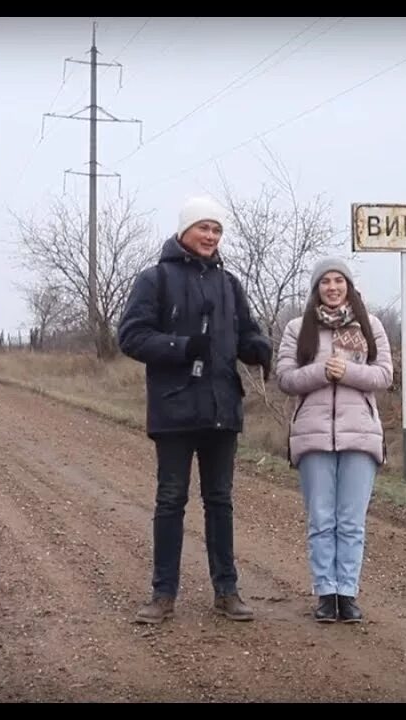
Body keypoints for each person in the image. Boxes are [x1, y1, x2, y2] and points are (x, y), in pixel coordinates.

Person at [116, 194, 272, 625]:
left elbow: (247, 333)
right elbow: (130, 337)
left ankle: (227, 592)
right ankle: (162, 595)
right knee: (171, 501)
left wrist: (258, 348)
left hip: (222, 410)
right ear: (185, 231)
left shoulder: (229, 284)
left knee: (220, 502)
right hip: (174, 411)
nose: (210, 236)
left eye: (217, 229)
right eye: (204, 227)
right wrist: (182, 347)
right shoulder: (154, 280)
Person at [274, 256, 392, 623]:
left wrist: (350, 372)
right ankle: (326, 592)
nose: (332, 287)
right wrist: (321, 373)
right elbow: (285, 378)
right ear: (316, 289)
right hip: (312, 436)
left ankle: (348, 593)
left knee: (352, 520)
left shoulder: (370, 325)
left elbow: (384, 375)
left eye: (338, 280)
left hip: (361, 435)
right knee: (322, 519)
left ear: (349, 286)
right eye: (325, 282)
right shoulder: (298, 328)